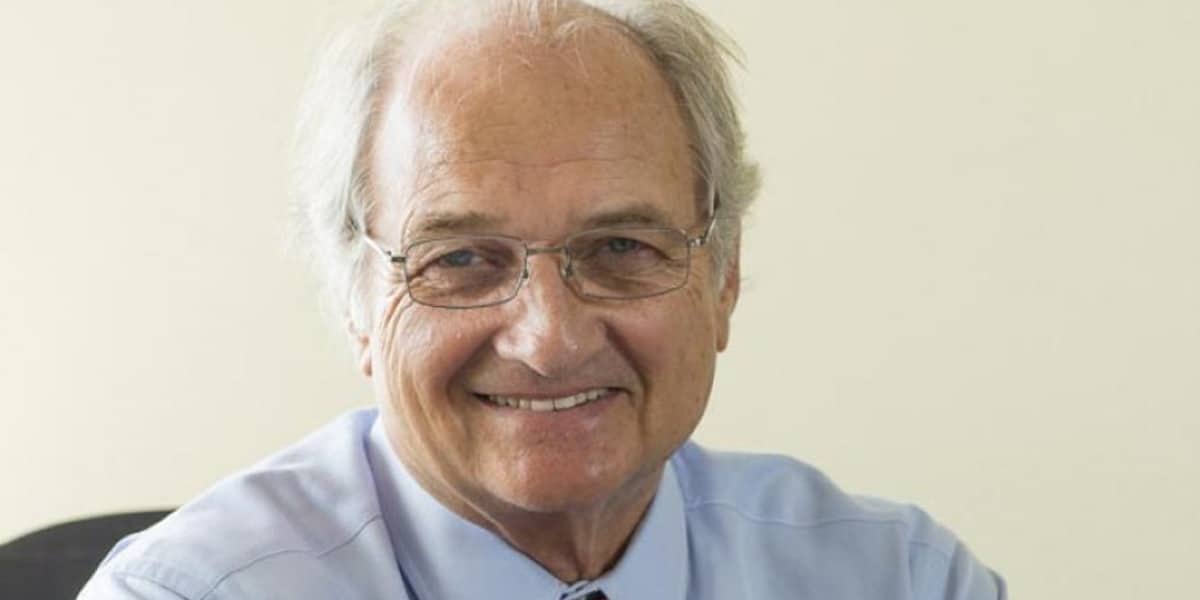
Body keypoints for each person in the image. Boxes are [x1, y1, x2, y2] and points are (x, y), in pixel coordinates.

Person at [80, 1, 1005, 598]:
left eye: (620, 249)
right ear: (356, 298)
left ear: (723, 277)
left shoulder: (899, 580)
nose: (550, 338)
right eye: (460, 259)